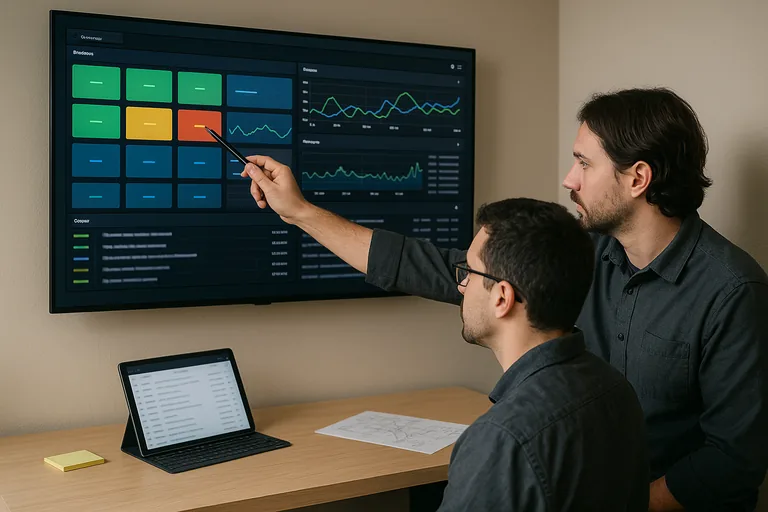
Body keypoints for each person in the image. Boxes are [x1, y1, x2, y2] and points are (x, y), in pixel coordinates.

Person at [242, 86, 768, 511]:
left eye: (583, 163)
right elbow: (433, 266)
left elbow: (732, 463)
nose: (569, 179)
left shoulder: (732, 291)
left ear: (638, 178)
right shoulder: (583, 252)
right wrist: (301, 213)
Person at [244, 164, 650, 509]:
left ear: (503, 298)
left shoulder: (503, 441)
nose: (459, 286)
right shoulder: (616, 389)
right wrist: (298, 212)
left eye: (468, 272)